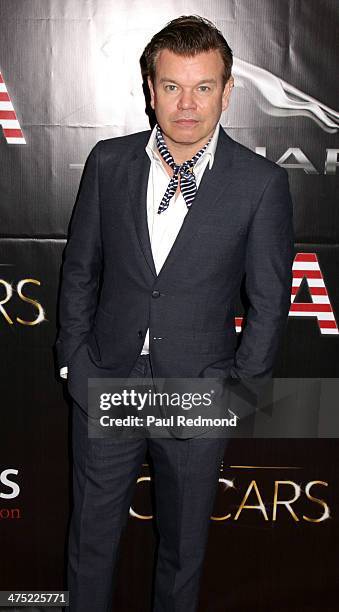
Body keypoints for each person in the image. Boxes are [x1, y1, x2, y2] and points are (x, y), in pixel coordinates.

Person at [55, 15, 294, 612]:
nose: (187, 105)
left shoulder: (260, 184)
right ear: (150, 89)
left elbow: (269, 301)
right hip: (108, 380)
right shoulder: (109, 163)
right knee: (89, 545)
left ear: (228, 89)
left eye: (204, 87)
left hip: (198, 390)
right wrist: (75, 363)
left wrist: (239, 394)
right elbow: (80, 271)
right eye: (172, 86)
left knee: (183, 555)